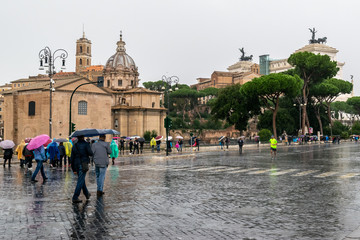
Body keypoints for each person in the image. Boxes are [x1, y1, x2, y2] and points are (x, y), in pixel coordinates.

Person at [70, 135, 93, 203]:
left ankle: (86, 194)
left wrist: (73, 169)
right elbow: (91, 153)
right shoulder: (86, 144)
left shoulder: (75, 145)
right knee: (80, 180)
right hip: (83, 164)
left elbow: (72, 158)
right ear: (83, 137)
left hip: (76, 164)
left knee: (81, 179)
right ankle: (75, 196)